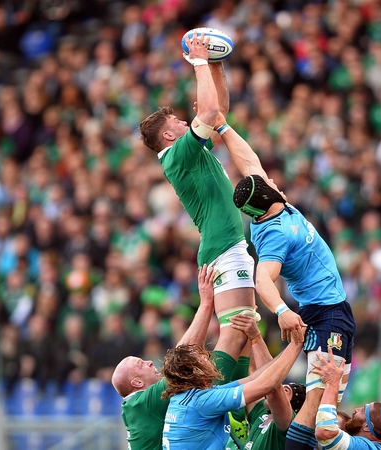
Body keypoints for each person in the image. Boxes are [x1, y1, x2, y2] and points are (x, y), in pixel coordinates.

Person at [222, 113, 356, 450]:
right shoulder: (274, 235)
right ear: (266, 205)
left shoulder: (266, 202)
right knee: (318, 403)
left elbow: (248, 161)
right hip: (327, 313)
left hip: (324, 309)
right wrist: (281, 310)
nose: (276, 187)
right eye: (272, 189)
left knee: (325, 398)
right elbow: (262, 277)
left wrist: (223, 127)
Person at [137, 31, 256, 384]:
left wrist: (216, 68)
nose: (181, 120)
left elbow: (217, 114)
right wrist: (199, 61)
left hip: (223, 246)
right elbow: (206, 111)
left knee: (243, 341)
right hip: (224, 248)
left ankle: (234, 415)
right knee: (236, 334)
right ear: (169, 136)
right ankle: (204, 397)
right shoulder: (177, 155)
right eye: (174, 122)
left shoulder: (187, 153)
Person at [111, 265, 215, 450]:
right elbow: (182, 357)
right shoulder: (145, 402)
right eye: (141, 364)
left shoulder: (135, 406)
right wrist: (206, 303)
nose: (150, 361)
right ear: (136, 383)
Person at [161, 327, 304, 450]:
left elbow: (254, 378)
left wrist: (257, 338)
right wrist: (297, 343)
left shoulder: (189, 396)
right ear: (196, 371)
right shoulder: (202, 401)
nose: (209, 358)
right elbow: (266, 384)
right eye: (203, 359)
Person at [229, 312, 306, 450]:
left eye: (286, 390)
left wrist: (256, 337)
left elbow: (273, 385)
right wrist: (248, 331)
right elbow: (255, 374)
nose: (282, 387)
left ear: (294, 409)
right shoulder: (262, 414)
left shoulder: (286, 426)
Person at [312, 348, 381, 450]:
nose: (356, 409)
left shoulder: (365, 447)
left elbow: (324, 432)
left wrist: (332, 383)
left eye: (363, 410)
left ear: (367, 426)